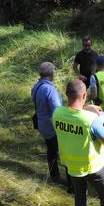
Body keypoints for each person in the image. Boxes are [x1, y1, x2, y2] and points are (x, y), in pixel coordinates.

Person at [53, 80, 104, 206]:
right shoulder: (90, 120)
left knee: (80, 196)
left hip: (73, 166)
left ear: (66, 94)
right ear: (84, 95)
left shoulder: (57, 114)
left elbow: (73, 113)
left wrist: (87, 108)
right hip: (95, 166)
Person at [32, 62, 73, 190]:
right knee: (66, 154)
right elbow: (57, 111)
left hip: (43, 125)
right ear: (51, 74)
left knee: (51, 150)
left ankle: (54, 176)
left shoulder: (36, 87)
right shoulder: (49, 89)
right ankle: (72, 185)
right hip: (54, 127)